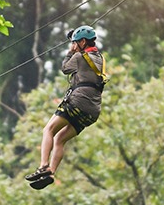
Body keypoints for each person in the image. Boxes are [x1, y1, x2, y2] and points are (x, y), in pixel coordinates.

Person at [25, 25, 107, 190]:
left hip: (77, 101)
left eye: (76, 43)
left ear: (83, 42)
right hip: (92, 111)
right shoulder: (100, 59)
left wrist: (71, 52)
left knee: (48, 130)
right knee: (59, 139)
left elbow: (65, 68)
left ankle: (43, 166)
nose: (74, 45)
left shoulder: (80, 57)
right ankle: (51, 172)